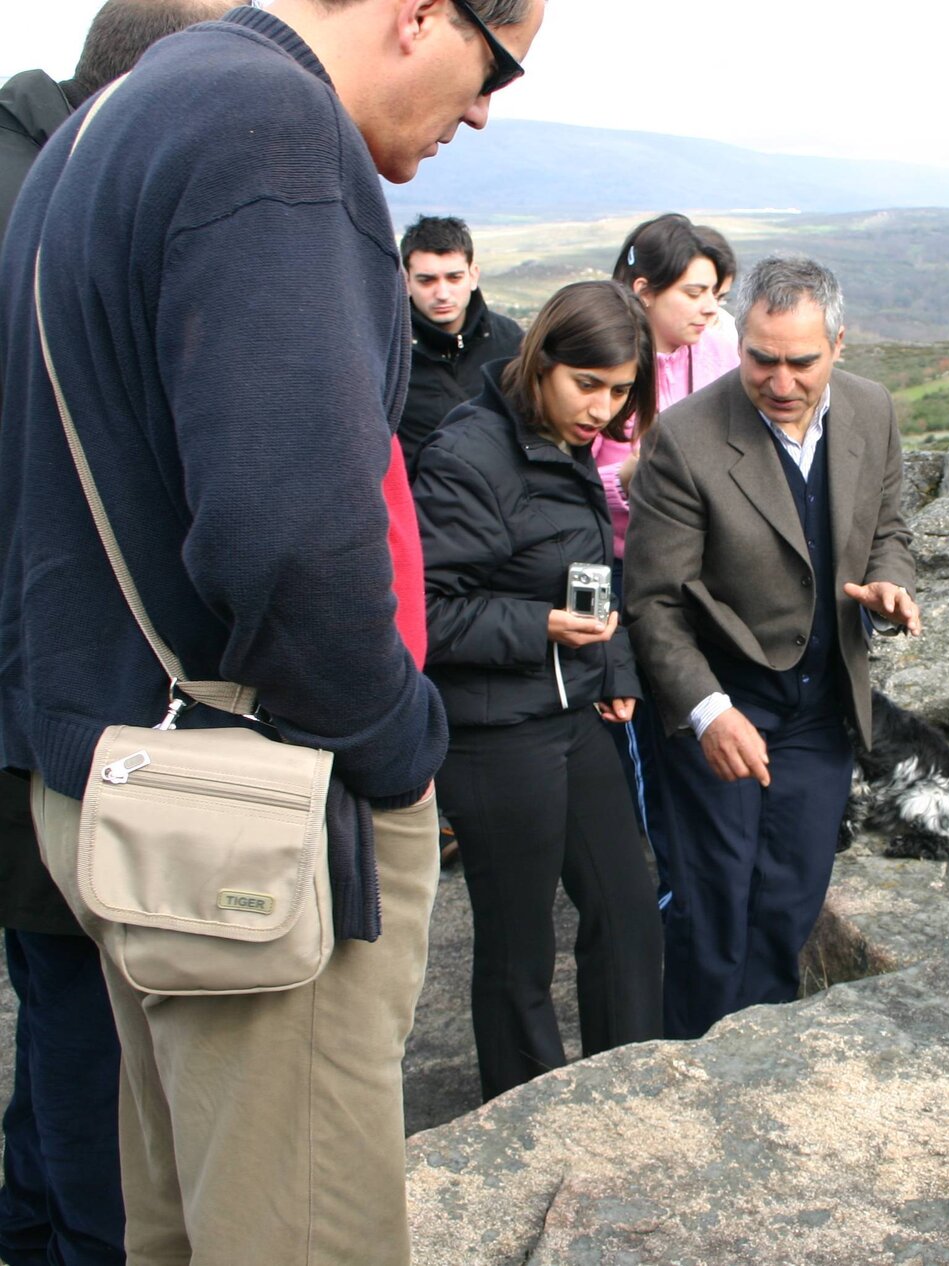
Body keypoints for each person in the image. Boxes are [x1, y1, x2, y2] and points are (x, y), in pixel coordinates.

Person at [0, 1, 544, 1263]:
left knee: (182, 1227)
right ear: (423, 13)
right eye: (496, 67)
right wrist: (400, 747)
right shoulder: (276, 130)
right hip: (252, 818)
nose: (482, 108)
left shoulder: (105, 127)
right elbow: (291, 536)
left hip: (115, 783)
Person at [0, 4, 237, 1264]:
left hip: (43, 692)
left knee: (58, 1017)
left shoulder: (46, 174)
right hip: (58, 699)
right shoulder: (75, 191)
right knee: (88, 1032)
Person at [624, 255, 921, 1040]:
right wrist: (710, 711)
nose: (780, 380)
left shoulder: (873, 411)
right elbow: (653, 602)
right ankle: (693, 1068)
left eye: (801, 361)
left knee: (789, 899)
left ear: (839, 345)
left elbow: (887, 531)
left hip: (823, 706)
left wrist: (887, 583)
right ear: (741, 337)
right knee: (714, 904)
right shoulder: (684, 440)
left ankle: (758, 1056)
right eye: (762, 359)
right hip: (726, 706)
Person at [412, 280, 663, 1101]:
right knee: (519, 944)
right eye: (587, 384)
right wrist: (540, 628)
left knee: (626, 903)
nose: (603, 408)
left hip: (570, 712)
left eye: (620, 390)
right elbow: (424, 615)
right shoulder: (468, 454)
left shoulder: (564, 444)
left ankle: (622, 1091)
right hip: (494, 732)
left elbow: (590, 577)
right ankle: (526, 1118)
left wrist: (614, 670)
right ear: (542, 362)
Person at [592, 213, 740, 896]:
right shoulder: (606, 355)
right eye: (693, 292)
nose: (708, 308)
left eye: (715, 291)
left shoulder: (717, 347)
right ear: (643, 288)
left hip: (705, 569)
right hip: (625, 570)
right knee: (646, 729)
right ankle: (666, 882)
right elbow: (577, 473)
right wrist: (634, 482)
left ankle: (702, 862)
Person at [398, 213, 523, 473]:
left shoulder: (510, 341)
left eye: (454, 278)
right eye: (427, 280)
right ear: (406, 280)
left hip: (501, 500)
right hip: (423, 503)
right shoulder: (389, 352)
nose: (442, 294)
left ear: (473, 275)